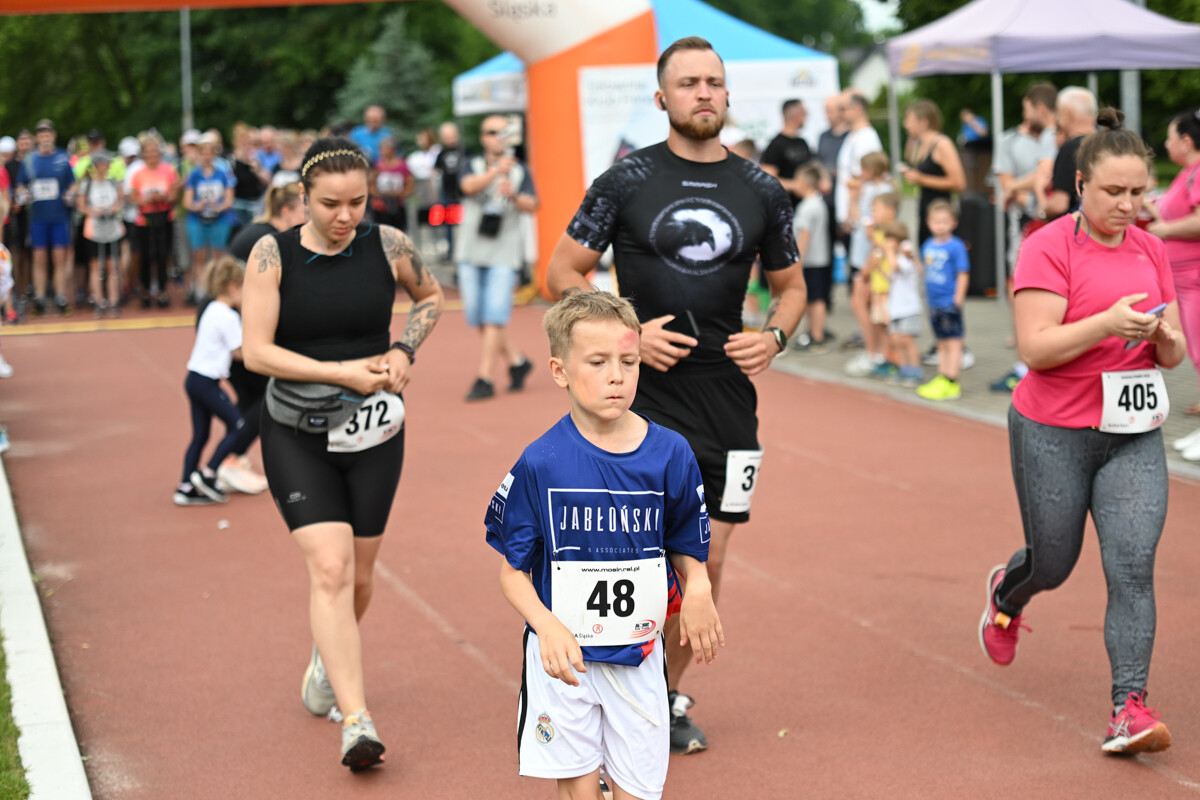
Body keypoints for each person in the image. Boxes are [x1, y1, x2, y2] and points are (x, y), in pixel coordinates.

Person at [546, 36, 806, 754]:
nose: (703, 93)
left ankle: (658, 690)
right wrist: (626, 331)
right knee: (636, 554)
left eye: (714, 83)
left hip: (728, 397)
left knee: (709, 563)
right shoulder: (625, 181)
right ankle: (606, 686)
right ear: (663, 99)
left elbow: (791, 287)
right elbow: (562, 271)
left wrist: (775, 338)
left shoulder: (760, 188)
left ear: (727, 96)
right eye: (688, 83)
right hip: (640, 395)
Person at [979, 108, 1184, 756]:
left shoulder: (1152, 247)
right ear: (1080, 186)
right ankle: (1007, 595)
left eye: (1138, 192)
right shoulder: (1046, 245)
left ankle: (1129, 707)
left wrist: (1167, 338)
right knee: (1055, 562)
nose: (1128, 205)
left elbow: (1173, 355)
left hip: (1131, 434)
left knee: (1132, 567)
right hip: (1053, 430)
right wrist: (1106, 324)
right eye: (1113, 193)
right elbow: (1035, 348)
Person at [241, 137, 444, 771]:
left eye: (357, 202)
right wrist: (342, 373)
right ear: (303, 198)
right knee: (328, 570)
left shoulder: (386, 245)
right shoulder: (272, 255)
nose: (345, 215)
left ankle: (324, 662)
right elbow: (256, 352)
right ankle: (357, 721)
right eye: (330, 204)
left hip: (375, 432)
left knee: (357, 578)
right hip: (295, 432)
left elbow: (431, 298)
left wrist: (405, 350)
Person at [486, 290, 723, 800]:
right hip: (563, 662)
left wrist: (698, 587)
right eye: (598, 362)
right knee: (578, 792)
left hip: (637, 657)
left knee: (640, 791)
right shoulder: (541, 462)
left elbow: (688, 543)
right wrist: (545, 626)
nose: (617, 375)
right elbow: (512, 571)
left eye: (629, 361)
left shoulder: (671, 454)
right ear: (559, 370)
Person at [457, 115, 538, 401]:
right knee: (479, 317)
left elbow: (533, 204)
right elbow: (467, 187)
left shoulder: (520, 171)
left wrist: (513, 194)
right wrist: (494, 173)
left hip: (504, 253)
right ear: (482, 138)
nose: (497, 137)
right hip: (470, 251)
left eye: (503, 132)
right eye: (492, 132)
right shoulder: (472, 165)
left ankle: (485, 378)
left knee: (494, 316)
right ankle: (518, 362)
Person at [990, 82, 1060, 394]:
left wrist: (1022, 186)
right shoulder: (1009, 140)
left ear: (1038, 108)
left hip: (1054, 223)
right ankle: (1023, 364)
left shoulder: (1056, 137)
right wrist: (1025, 192)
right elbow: (1007, 187)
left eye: (1026, 107)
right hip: (1024, 226)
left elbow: (1045, 177)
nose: (1024, 113)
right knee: (1017, 286)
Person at [174, 256, 252, 506]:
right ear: (232, 288)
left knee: (200, 435)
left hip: (194, 379)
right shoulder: (228, 316)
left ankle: (185, 486)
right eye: (244, 290)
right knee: (238, 426)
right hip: (206, 382)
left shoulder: (211, 308)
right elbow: (239, 352)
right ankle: (208, 473)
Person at [1147, 107, 1200, 449]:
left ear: (1185, 139)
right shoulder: (1188, 173)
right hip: (1182, 279)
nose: (1165, 145)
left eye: (1169, 137)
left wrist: (1165, 228)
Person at [16, 119, 75, 315]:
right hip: (38, 218)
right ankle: (40, 298)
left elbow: (72, 184)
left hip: (59, 217)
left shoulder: (63, 158)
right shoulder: (29, 160)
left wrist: (71, 195)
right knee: (39, 258)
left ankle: (60, 296)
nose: (45, 137)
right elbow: (20, 184)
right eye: (41, 134)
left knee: (59, 258)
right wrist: (23, 193)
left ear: (53, 135)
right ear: (37, 138)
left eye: (48, 133)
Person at [916, 199, 971, 401]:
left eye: (944, 221)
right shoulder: (927, 245)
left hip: (949, 301)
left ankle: (951, 380)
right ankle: (942, 376)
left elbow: (963, 273)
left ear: (953, 222)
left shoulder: (956, 247)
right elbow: (925, 270)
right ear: (928, 222)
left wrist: (958, 298)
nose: (939, 225)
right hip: (934, 302)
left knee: (953, 341)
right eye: (935, 221)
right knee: (941, 341)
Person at [844, 186, 898, 378]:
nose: (872, 214)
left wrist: (864, 273)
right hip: (877, 285)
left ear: (890, 212)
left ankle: (881, 356)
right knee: (878, 320)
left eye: (876, 209)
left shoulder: (886, 234)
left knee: (883, 323)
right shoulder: (879, 231)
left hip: (882, 286)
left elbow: (879, 255)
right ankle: (879, 355)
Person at [900, 99, 966, 246]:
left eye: (909, 120)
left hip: (941, 217)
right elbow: (908, 157)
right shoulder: (921, 145)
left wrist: (921, 179)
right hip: (926, 212)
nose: (905, 124)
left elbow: (959, 183)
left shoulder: (942, 144)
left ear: (923, 122)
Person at [127, 131, 179, 309]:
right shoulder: (138, 173)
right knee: (146, 256)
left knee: (163, 254)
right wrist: (146, 200)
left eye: (155, 151)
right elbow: (133, 198)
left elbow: (174, 193)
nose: (152, 154)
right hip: (145, 220)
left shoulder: (169, 169)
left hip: (164, 218)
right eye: (148, 151)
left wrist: (162, 197)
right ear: (143, 153)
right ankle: (146, 290)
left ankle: (163, 290)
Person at [183, 133, 237, 301]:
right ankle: (200, 289)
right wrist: (196, 206)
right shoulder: (194, 174)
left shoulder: (223, 173)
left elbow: (229, 199)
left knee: (217, 255)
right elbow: (187, 201)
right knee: (198, 255)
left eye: (210, 152)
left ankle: (216, 288)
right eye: (203, 152)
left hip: (219, 219)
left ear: (214, 154)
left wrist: (219, 207)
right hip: (197, 219)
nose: (206, 156)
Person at [76, 149, 124, 318]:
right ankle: (98, 301)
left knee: (112, 266)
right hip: (94, 229)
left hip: (111, 227)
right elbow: (81, 206)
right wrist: (94, 211)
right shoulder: (87, 184)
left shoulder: (113, 183)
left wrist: (112, 209)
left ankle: (113, 301)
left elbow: (120, 202)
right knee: (96, 266)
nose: (106, 167)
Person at [873, 221, 922, 386]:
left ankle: (915, 370)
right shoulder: (897, 256)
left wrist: (889, 251)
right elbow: (892, 275)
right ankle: (903, 369)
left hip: (909, 307)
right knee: (895, 339)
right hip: (897, 308)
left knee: (907, 340)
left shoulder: (905, 255)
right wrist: (879, 267)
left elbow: (896, 266)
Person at [792, 163, 831, 351]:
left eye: (797, 181)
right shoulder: (818, 202)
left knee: (814, 299)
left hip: (811, 260)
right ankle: (815, 332)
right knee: (815, 297)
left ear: (805, 183)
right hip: (819, 258)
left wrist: (797, 260)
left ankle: (816, 335)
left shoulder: (807, 207)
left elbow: (804, 236)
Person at [1044, 86, 1098, 220]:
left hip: (1077, 231)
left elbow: (1059, 205)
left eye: (1058, 112)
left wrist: (1042, 210)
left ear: (1069, 113)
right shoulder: (1109, 144)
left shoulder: (1070, 149)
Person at [759, 99, 812, 208]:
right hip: (786, 208)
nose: (806, 117)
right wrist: (795, 185)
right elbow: (768, 180)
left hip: (806, 206)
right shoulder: (775, 145)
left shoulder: (802, 142)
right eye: (804, 113)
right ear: (796, 116)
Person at [433, 122, 465, 260]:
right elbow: (435, 170)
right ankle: (451, 251)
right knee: (449, 224)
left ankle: (463, 251)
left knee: (464, 223)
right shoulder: (442, 153)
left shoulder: (464, 150)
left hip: (463, 194)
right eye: (446, 136)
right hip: (447, 192)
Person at [369, 136, 412, 232]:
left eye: (385, 148)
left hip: (398, 206)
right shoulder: (377, 166)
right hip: (381, 207)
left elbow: (410, 185)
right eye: (381, 148)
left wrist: (399, 194)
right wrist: (381, 194)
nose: (382, 151)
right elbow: (370, 185)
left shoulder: (402, 165)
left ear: (393, 149)